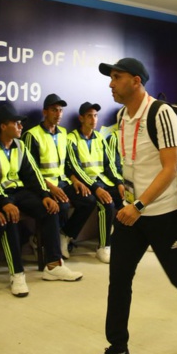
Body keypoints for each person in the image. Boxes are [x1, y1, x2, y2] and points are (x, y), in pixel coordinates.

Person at [91, 58, 177, 354]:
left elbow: (170, 166)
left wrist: (139, 205)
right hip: (132, 212)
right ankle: (118, 349)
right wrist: (128, 192)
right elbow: (135, 162)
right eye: (110, 78)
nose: (111, 83)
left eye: (116, 77)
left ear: (136, 81)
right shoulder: (123, 116)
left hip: (166, 212)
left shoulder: (161, 113)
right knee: (119, 278)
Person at [0, 101, 82, 290]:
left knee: (50, 209)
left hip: (19, 192)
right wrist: (4, 203)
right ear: (3, 126)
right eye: (16, 123)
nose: (21, 126)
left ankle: (53, 265)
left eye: (21, 123)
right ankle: (17, 274)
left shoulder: (20, 146)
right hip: (0, 195)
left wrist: (45, 195)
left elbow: (32, 173)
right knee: (10, 217)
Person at [23, 94, 96, 259]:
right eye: (54, 110)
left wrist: (75, 181)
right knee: (62, 206)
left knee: (89, 200)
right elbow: (31, 171)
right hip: (43, 185)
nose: (58, 114)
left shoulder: (63, 133)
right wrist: (50, 187)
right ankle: (46, 245)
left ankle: (65, 236)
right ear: (45, 112)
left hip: (62, 182)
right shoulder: (32, 135)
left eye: (60, 110)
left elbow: (68, 163)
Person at [66, 102, 124, 263]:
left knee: (126, 198)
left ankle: (119, 239)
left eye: (96, 115)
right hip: (86, 183)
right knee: (107, 204)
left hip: (102, 181)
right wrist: (96, 188)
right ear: (81, 118)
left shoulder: (99, 137)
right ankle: (103, 247)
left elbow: (109, 164)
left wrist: (118, 182)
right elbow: (76, 168)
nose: (93, 119)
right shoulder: (72, 139)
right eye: (89, 116)